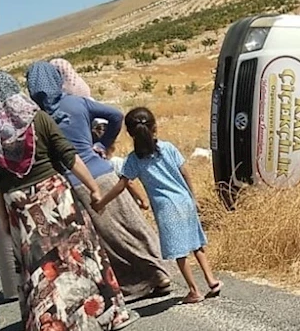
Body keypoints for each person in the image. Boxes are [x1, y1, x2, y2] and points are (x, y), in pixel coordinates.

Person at [0, 71, 138, 331]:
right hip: (56, 196)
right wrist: (94, 189)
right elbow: (67, 155)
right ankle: (105, 317)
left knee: (40, 271)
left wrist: (4, 222)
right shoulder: (38, 117)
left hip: (20, 206)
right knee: (79, 258)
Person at [25, 61, 172, 301]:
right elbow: (115, 115)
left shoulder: (38, 118)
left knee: (109, 238)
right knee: (132, 224)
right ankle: (160, 272)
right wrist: (101, 145)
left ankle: (139, 282)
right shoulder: (76, 102)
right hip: (104, 173)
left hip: (77, 183)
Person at [93, 107, 223, 304]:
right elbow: (185, 172)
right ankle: (211, 281)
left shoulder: (133, 160)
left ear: (129, 133)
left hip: (165, 208)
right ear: (155, 128)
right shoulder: (168, 148)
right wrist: (192, 196)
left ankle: (194, 290)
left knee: (180, 253)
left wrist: (101, 202)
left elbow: (121, 185)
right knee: (196, 244)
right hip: (184, 200)